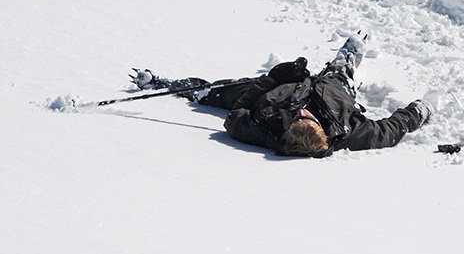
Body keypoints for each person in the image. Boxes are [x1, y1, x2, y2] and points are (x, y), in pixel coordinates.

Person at [130, 32, 433, 157]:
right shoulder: (346, 131)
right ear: (322, 131)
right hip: (335, 89)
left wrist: (271, 80)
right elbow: (388, 131)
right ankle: (348, 58)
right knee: (341, 72)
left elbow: (235, 116)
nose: (304, 112)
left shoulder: (263, 128)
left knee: (216, 92)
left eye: (300, 118)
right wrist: (419, 111)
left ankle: (165, 84)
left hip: (274, 91)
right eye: (309, 119)